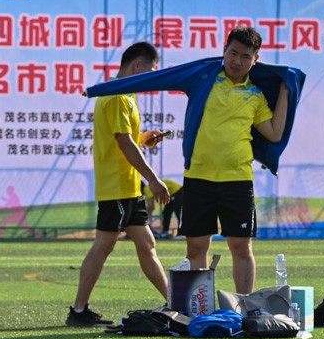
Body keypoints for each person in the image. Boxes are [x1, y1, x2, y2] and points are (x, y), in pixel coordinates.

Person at [85, 25, 305, 295]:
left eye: (245, 56)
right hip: (198, 179)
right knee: (197, 248)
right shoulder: (203, 78)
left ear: (255, 60)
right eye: (233, 53)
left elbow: (274, 133)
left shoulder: (256, 96)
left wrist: (285, 92)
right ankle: (200, 309)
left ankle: (245, 306)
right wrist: (99, 90)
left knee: (241, 247)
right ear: (224, 50)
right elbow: (158, 79)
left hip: (237, 180)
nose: (237, 61)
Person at [67, 42, 171, 327]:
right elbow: (123, 142)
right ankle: (78, 311)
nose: (151, 78)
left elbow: (126, 139)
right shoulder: (117, 96)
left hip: (129, 187)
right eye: (150, 71)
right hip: (117, 187)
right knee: (103, 246)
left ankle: (174, 302)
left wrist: (144, 138)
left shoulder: (123, 94)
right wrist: (153, 178)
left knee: (147, 244)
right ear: (137, 65)